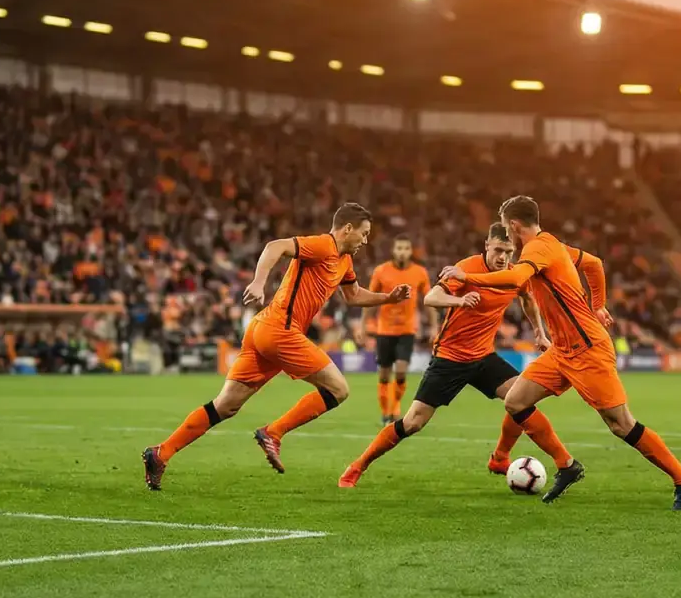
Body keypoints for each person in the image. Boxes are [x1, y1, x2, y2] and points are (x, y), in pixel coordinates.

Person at [440, 195, 681, 510]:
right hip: (562, 350)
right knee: (516, 401)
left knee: (621, 424)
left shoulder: (537, 249)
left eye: (506, 230)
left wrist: (466, 277)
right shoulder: (553, 245)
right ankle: (566, 466)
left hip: (588, 350)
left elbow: (516, 278)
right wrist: (599, 303)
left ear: (513, 225)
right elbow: (594, 264)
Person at [140, 202, 412, 490]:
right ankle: (274, 432)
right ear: (347, 229)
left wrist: (388, 299)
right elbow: (275, 246)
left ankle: (161, 453)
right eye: (364, 233)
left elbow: (354, 295)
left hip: (263, 329)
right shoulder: (323, 245)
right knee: (338, 389)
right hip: (280, 329)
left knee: (225, 406)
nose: (365, 240)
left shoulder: (344, 261)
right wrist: (259, 283)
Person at [340, 224, 543, 487]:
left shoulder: (515, 274)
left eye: (508, 251)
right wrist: (459, 301)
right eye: (497, 250)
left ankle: (500, 458)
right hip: (450, 358)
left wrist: (539, 332)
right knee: (412, 423)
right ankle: (358, 465)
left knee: (522, 398)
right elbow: (431, 298)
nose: (502, 257)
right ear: (486, 245)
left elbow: (528, 298)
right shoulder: (466, 268)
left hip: (483, 357)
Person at [366, 235, 432, 424]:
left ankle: (394, 408)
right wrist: (364, 324)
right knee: (385, 374)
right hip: (384, 330)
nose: (402, 252)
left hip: (407, 330)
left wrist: (434, 325)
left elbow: (428, 300)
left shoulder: (419, 272)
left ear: (411, 251)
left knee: (401, 372)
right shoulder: (381, 271)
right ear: (393, 250)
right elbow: (370, 298)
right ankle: (385, 411)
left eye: (406, 248)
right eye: (399, 248)